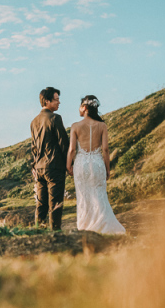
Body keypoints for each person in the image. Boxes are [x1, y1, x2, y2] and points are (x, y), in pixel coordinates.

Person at [66, 95, 126, 234]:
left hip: (81, 165)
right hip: (98, 164)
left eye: (80, 106)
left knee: (83, 196)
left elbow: (72, 150)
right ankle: (104, 226)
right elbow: (105, 149)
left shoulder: (75, 126)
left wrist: (69, 165)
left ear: (84, 107)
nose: (79, 109)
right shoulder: (102, 126)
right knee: (99, 195)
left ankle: (85, 226)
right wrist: (107, 168)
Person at [29, 87, 69, 230]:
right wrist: (69, 164)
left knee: (41, 205)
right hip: (54, 167)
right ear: (47, 101)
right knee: (55, 204)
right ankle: (55, 234)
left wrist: (34, 166)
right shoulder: (55, 118)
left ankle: (38, 232)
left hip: (39, 168)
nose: (59, 102)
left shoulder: (34, 122)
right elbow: (64, 144)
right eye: (56, 99)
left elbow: (34, 147)